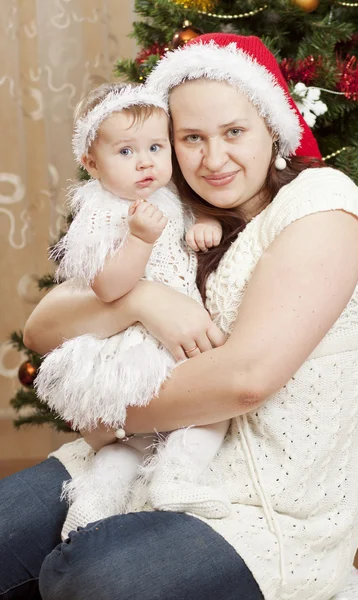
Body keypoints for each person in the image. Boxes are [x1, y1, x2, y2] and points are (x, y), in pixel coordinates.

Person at [0, 33, 358, 600]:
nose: (213, 159)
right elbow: (42, 327)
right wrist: (141, 300)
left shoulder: (322, 205)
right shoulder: (164, 212)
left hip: (265, 514)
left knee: (91, 578)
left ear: (273, 128)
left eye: (234, 132)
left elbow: (245, 380)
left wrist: (107, 412)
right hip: (128, 464)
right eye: (191, 138)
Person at [34, 81, 229, 541]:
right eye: (125, 151)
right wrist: (139, 239)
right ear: (91, 162)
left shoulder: (167, 197)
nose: (145, 162)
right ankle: (162, 480)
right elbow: (108, 287)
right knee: (206, 411)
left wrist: (202, 224)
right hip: (132, 344)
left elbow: (182, 231)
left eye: (155, 147)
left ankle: (108, 499)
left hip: (167, 335)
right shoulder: (101, 212)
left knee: (139, 442)